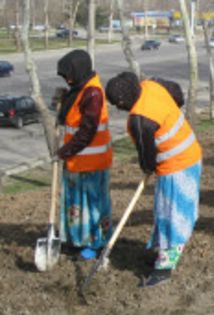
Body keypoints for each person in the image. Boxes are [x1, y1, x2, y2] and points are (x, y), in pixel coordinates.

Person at [105, 72, 203, 287]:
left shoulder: (140, 120)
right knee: (170, 212)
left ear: (123, 100)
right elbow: (177, 93)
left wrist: (148, 167)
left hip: (176, 167)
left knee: (170, 217)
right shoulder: (152, 84)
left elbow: (147, 157)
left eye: (116, 104)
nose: (118, 109)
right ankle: (164, 255)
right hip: (192, 154)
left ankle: (164, 269)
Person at [56, 49, 113, 261]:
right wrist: (61, 103)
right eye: (65, 77)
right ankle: (76, 240)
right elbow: (69, 119)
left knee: (93, 205)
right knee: (75, 204)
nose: (68, 80)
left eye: (69, 75)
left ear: (79, 71)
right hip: (76, 161)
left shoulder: (93, 94)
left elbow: (87, 131)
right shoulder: (78, 89)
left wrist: (64, 152)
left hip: (92, 162)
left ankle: (97, 244)